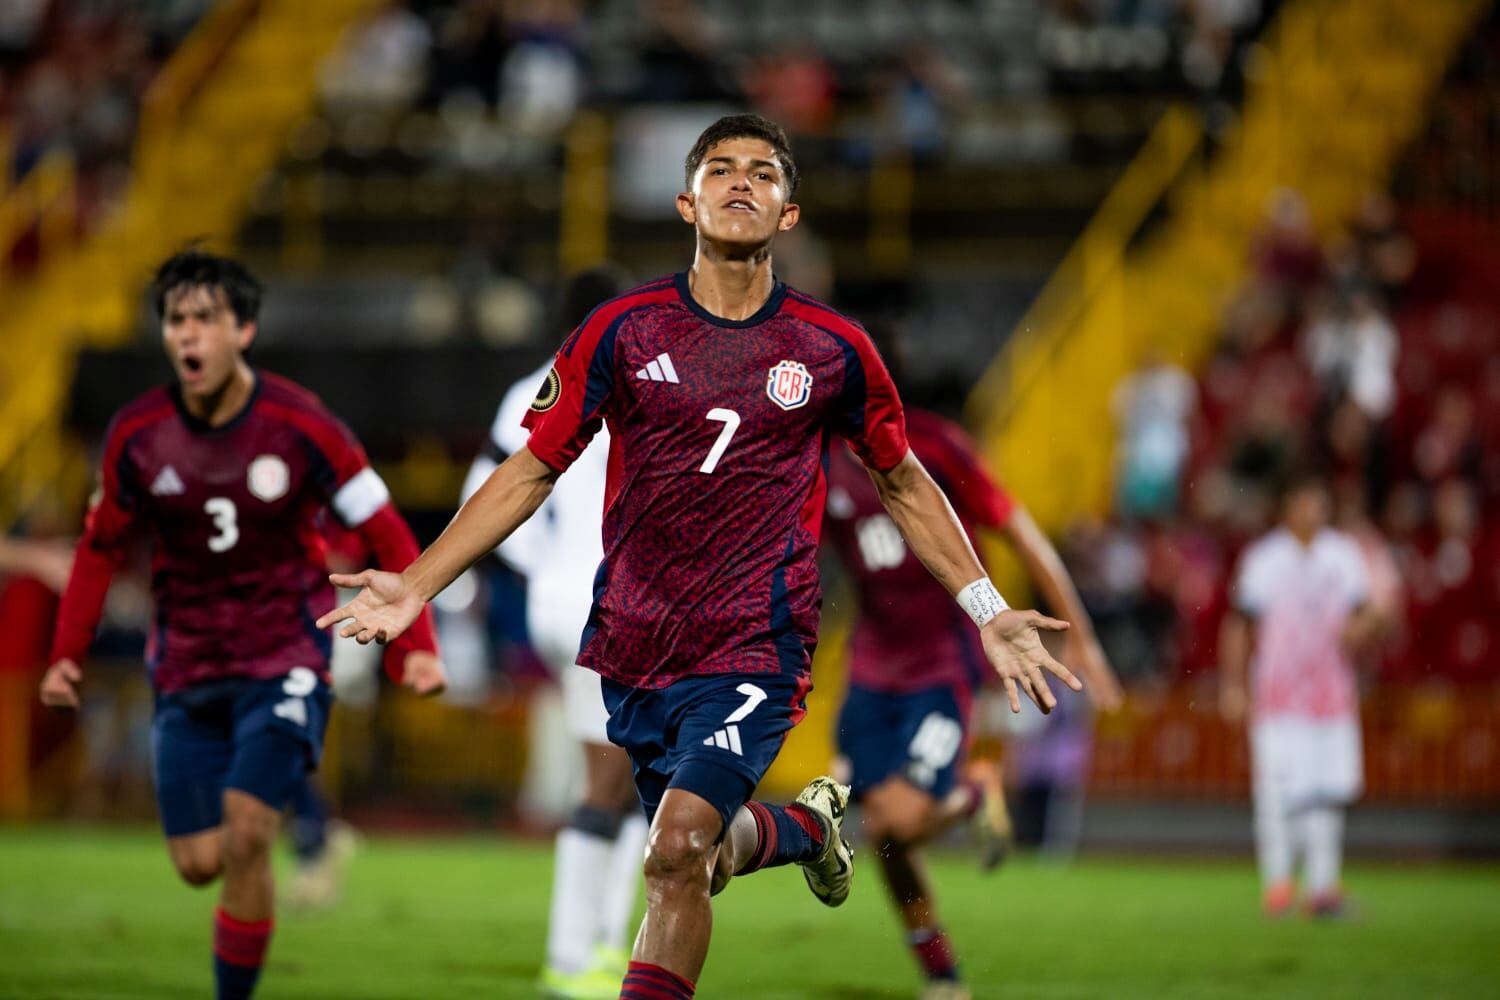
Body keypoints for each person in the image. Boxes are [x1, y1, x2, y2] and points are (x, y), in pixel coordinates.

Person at [320, 114, 1081, 999]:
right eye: (720, 169)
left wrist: (989, 613)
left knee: (674, 849)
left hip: (756, 644)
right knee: (700, 859)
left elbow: (905, 484)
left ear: (788, 213)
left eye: (764, 172)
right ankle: (802, 830)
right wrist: (416, 586)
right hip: (635, 647)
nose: (742, 183)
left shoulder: (833, 350)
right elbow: (530, 471)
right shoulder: (620, 332)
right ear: (687, 201)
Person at [39, 250, 448, 1000]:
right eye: (175, 320)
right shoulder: (138, 435)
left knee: (251, 831)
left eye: (204, 319)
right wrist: (68, 655)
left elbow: (387, 530)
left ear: (245, 329)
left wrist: (413, 650)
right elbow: (99, 548)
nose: (187, 335)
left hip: (283, 656)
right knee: (200, 862)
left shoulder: (305, 426)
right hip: (185, 666)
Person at [824, 347, 1121, 1000]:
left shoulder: (936, 448)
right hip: (872, 667)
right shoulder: (819, 461)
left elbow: (1019, 530)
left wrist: (1082, 634)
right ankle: (944, 974)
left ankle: (971, 793)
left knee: (894, 826)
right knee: (888, 841)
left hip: (942, 662)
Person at [461, 266, 649, 999]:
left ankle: (604, 948)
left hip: (567, 602)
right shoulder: (630, 382)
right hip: (605, 607)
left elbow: (482, 494)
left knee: (637, 780)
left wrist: (540, 570)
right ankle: (579, 955)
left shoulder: (525, 392)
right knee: (615, 783)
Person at [1219, 470, 1380, 918]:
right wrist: (1232, 685)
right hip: (1278, 695)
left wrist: (1370, 624)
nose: (1316, 510)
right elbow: (1238, 623)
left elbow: (1362, 617)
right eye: (1307, 500)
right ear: (1288, 507)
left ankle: (1323, 888)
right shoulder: (1264, 559)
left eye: (1320, 501)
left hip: (1331, 694)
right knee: (1277, 792)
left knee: (1328, 791)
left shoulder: (1344, 555)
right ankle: (1278, 885)